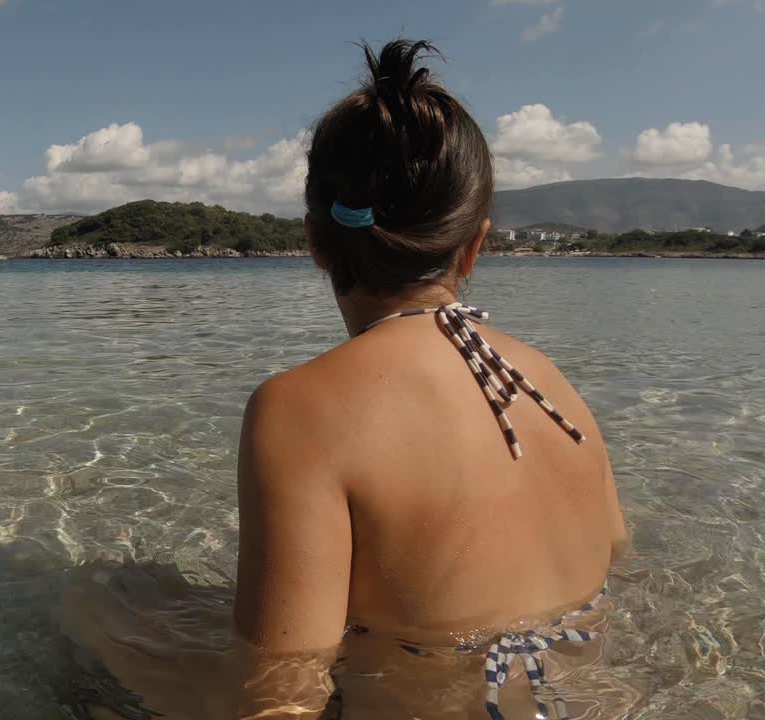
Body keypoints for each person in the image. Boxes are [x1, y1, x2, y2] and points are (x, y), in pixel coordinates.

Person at [63, 38, 630, 720]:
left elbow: (279, 689)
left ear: (313, 242)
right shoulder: (548, 382)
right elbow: (617, 558)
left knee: (98, 600)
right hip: (578, 701)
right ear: (476, 244)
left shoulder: (299, 409)